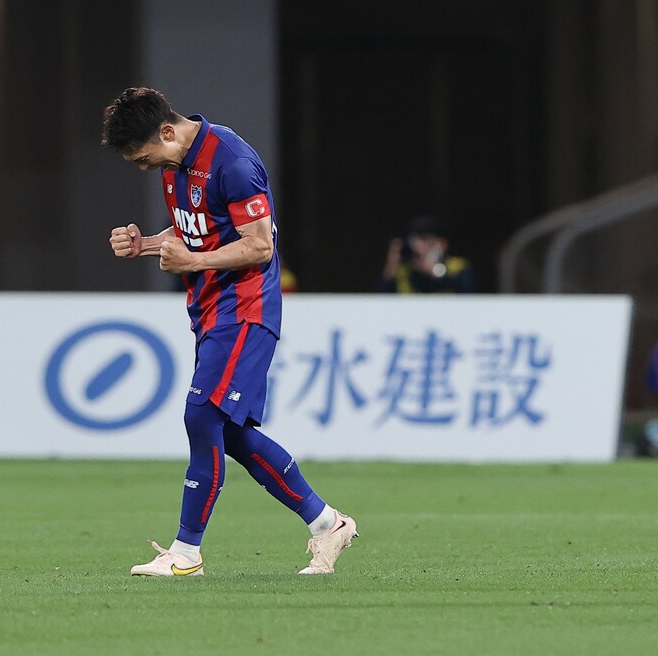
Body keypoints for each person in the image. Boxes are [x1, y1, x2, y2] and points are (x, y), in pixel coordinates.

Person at [101, 86, 358, 576]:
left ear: (167, 131)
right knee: (231, 432)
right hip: (209, 309)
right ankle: (328, 524)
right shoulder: (176, 164)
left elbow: (259, 246)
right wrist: (146, 245)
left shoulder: (233, 162)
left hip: (246, 307)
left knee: (201, 415)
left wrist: (191, 261)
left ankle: (186, 553)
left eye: (144, 157)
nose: (144, 168)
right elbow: (197, 231)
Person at [378, 215, 476, 293]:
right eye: (419, 242)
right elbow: (379, 301)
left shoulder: (458, 266)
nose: (422, 248)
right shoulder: (402, 271)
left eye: (430, 243)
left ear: (443, 244)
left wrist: (435, 271)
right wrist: (390, 267)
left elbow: (470, 293)